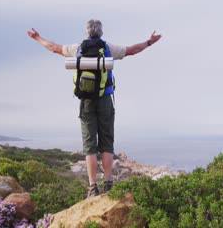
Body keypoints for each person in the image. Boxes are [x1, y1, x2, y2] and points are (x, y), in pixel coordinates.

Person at [27, 19, 162, 197]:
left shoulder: (78, 48)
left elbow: (54, 48)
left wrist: (38, 38)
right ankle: (107, 182)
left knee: (89, 144)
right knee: (107, 142)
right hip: (105, 99)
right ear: (101, 32)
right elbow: (131, 50)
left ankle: (92, 187)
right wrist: (149, 41)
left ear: (87, 32)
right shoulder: (108, 48)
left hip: (86, 101)